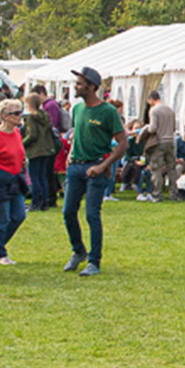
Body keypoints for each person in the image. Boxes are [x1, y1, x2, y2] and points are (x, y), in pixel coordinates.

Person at [62, 67, 128, 277]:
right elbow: (76, 135)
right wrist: (71, 153)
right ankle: (78, 250)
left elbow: (122, 144)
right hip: (76, 166)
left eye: (80, 84)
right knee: (68, 212)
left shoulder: (107, 111)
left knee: (92, 215)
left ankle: (94, 261)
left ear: (92, 87)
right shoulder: (78, 109)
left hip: (96, 168)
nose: (76, 86)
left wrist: (102, 166)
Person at [0, 98, 29, 265]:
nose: (19, 115)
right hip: (0, 179)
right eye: (15, 113)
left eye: (20, 111)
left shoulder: (16, 132)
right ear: (4, 116)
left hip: (15, 178)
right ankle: (0, 253)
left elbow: (17, 151)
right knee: (1, 219)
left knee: (18, 215)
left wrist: (23, 161)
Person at [22, 91, 58, 210]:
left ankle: (36, 202)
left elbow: (32, 135)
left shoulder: (30, 118)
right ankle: (45, 202)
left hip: (35, 150)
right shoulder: (45, 115)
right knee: (43, 177)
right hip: (46, 149)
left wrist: (21, 144)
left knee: (35, 177)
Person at [141, 91, 179, 202]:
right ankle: (173, 193)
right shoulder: (170, 110)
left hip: (159, 141)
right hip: (170, 141)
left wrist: (144, 131)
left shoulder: (154, 110)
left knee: (156, 168)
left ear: (151, 99)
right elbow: (173, 128)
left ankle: (157, 194)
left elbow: (153, 128)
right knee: (171, 169)